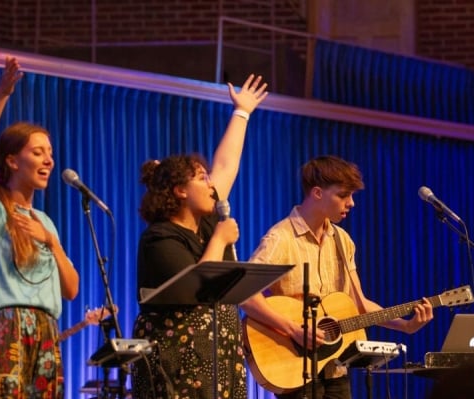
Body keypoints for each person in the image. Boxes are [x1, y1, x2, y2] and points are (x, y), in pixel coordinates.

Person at [241, 155, 434, 399]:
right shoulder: (280, 239)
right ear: (318, 193)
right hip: (294, 365)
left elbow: (360, 304)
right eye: (343, 195)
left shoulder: (342, 240)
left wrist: (405, 325)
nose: (351, 203)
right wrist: (293, 329)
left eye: (352, 196)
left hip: (335, 367)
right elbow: (245, 294)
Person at [131, 74, 268, 399]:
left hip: (218, 351)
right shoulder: (160, 237)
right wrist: (220, 240)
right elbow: (196, 289)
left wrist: (242, 112)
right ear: (180, 191)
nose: (211, 185)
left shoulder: (206, 222)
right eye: (202, 179)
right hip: (178, 359)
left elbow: (226, 163)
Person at [0, 56, 79, 398]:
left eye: (50, 154)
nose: (48, 161)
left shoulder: (45, 222)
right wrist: (1, 94)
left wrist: (51, 243)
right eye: (38, 153)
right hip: (4, 330)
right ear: (13, 160)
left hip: (44, 331)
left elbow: (71, 290)